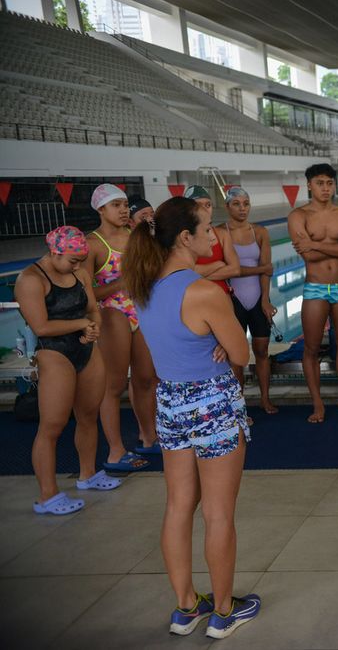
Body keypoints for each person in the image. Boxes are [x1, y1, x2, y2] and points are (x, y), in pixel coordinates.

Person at [124, 197, 261, 639]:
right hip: (214, 404)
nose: (213, 238)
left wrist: (216, 340)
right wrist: (224, 343)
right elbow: (240, 354)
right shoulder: (202, 292)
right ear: (185, 237)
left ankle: (186, 607)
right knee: (219, 514)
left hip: (170, 405)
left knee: (179, 507)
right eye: (206, 231)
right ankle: (223, 611)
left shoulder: (143, 287)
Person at [16, 226, 120, 515]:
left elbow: (92, 308)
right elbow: (41, 326)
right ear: (54, 252)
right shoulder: (31, 279)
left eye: (79, 261)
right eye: (72, 260)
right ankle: (47, 495)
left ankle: (88, 474)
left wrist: (94, 326)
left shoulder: (80, 273)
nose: (77, 266)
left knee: (88, 415)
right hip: (54, 352)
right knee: (52, 426)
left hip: (86, 349)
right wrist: (81, 326)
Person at [85, 183, 158, 473]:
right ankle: (116, 450)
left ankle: (149, 436)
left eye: (125, 204)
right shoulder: (93, 244)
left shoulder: (135, 237)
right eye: (116, 205)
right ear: (101, 209)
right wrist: (120, 283)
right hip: (113, 317)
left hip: (140, 313)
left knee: (146, 378)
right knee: (113, 386)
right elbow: (86, 294)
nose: (124, 209)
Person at [288, 163, 338, 423]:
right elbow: (308, 255)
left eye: (329, 183)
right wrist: (336, 247)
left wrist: (313, 243)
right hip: (315, 287)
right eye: (320, 183)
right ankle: (318, 404)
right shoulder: (298, 216)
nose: (325, 188)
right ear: (309, 185)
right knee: (311, 347)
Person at [222, 186, 278, 415]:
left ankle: (265, 399)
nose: (242, 208)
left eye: (246, 203)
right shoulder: (220, 232)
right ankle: (238, 404)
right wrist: (259, 268)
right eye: (236, 204)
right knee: (236, 355)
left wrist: (265, 300)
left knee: (262, 350)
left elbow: (267, 270)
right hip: (232, 301)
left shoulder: (260, 232)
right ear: (227, 207)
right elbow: (229, 271)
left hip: (257, 299)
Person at [184, 186, 240, 295]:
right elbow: (185, 272)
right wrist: (218, 264)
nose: (205, 210)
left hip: (223, 297)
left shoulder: (222, 234)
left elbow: (235, 269)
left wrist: (199, 273)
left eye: (208, 205)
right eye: (198, 205)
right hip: (196, 299)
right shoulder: (183, 238)